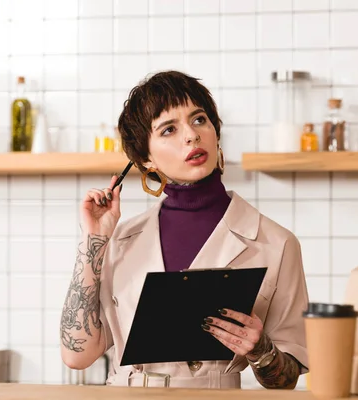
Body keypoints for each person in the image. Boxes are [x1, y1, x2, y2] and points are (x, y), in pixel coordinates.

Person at [59, 71, 309, 390]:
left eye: (200, 119)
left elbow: (285, 379)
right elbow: (76, 355)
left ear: (215, 131)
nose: (191, 135)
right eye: (169, 129)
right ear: (146, 159)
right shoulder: (120, 240)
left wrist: (261, 350)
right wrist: (93, 241)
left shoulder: (276, 242)